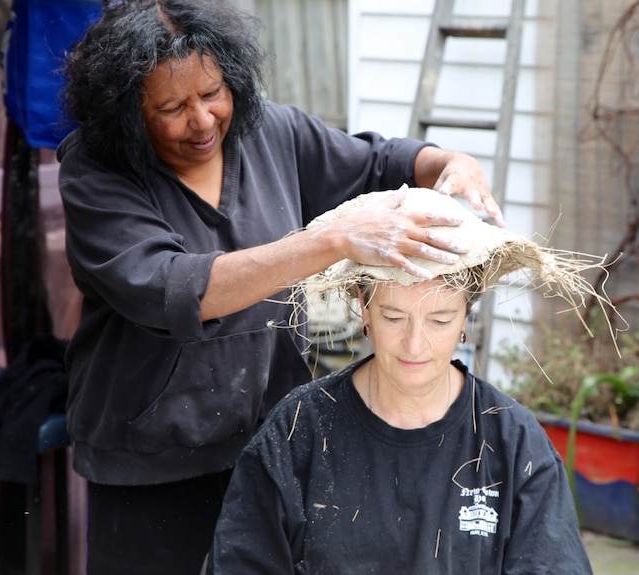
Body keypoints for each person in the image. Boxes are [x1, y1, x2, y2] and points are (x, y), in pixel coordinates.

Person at [56, 1, 505, 573]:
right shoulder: (96, 172)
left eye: (213, 92)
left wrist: (451, 160)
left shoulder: (271, 132)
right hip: (151, 459)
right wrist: (332, 241)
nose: (202, 121)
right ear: (125, 112)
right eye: (171, 107)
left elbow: (377, 162)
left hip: (270, 441)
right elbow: (173, 289)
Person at [208, 189, 609, 574]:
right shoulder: (298, 433)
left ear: (466, 317)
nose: (415, 345)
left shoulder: (513, 441)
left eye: (440, 319)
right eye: (393, 317)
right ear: (363, 309)